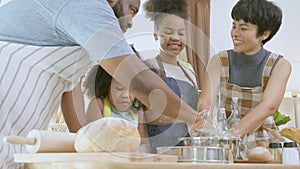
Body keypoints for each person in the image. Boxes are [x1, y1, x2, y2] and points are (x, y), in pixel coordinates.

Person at [0, 0, 204, 168]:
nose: (131, 22)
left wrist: (82, 144)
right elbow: (139, 80)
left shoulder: (77, 23)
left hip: (16, 136)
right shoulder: (88, 5)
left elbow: (71, 86)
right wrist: (196, 119)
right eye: (132, 10)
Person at [198, 0, 291, 139]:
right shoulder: (219, 60)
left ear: (264, 34)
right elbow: (206, 102)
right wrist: (207, 128)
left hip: (263, 143)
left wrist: (233, 134)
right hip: (227, 143)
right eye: (234, 26)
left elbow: (268, 106)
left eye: (243, 28)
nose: (235, 33)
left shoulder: (280, 65)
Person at [142, 0, 199, 153]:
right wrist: (188, 119)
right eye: (168, 32)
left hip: (187, 150)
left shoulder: (189, 71)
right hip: (159, 150)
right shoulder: (148, 67)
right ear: (155, 35)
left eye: (181, 33)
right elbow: (145, 115)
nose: (176, 38)